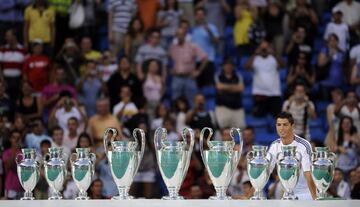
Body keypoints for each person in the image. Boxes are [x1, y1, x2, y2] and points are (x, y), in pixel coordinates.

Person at [268, 112, 317, 200]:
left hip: (305, 194)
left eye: (285, 125)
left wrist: (315, 199)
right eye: (279, 125)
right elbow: (265, 172)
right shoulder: (274, 145)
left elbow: (308, 174)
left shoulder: (304, 145)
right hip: (287, 196)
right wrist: (250, 195)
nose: (281, 128)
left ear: (292, 125)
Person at [168, 27, 208, 107]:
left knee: (192, 102)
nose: (179, 36)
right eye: (178, 35)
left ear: (185, 35)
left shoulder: (192, 46)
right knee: (175, 101)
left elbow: (205, 58)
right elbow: (167, 60)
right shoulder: (172, 48)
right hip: (177, 78)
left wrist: (198, 71)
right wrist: (170, 69)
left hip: (189, 78)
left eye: (181, 34)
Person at [245, 40, 284, 117]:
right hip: (259, 94)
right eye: (262, 48)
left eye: (266, 48)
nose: (264, 50)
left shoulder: (273, 58)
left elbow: (283, 65)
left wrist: (274, 53)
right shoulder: (255, 59)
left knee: (278, 118)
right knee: (258, 116)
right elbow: (246, 67)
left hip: (274, 94)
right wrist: (255, 54)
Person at [191, 7, 219, 88]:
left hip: (208, 61)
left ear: (205, 16)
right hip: (195, 62)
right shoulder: (192, 30)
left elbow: (216, 42)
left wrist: (209, 31)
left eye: (202, 14)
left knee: (209, 88)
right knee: (198, 88)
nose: (200, 16)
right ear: (195, 16)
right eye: (198, 14)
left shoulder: (212, 27)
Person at [215, 58, 245, 129]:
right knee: (223, 130)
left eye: (230, 65)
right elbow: (219, 87)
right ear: (223, 66)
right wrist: (234, 88)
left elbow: (241, 88)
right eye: (227, 65)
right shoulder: (218, 75)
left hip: (237, 108)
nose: (229, 67)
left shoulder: (238, 76)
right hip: (223, 108)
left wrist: (225, 88)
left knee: (240, 131)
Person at [0, 29, 25, 100]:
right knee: (5, 100)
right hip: (5, 80)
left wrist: (22, 81)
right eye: (6, 36)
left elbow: (24, 67)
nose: (6, 38)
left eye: (8, 36)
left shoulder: (22, 49)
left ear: (14, 37)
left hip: (18, 81)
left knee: (17, 101)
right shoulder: (3, 49)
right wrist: (2, 79)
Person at [2, 130, 22, 199]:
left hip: (22, 188)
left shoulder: (23, 153)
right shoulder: (6, 153)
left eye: (18, 138)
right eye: (14, 137)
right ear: (10, 139)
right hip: (10, 188)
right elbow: (8, 166)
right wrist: (14, 151)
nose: (16, 140)